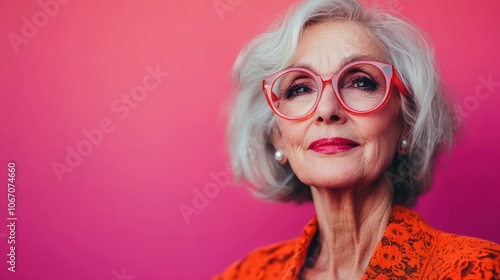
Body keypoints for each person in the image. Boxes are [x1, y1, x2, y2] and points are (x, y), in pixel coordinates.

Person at [215, 0, 500, 279]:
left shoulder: (475, 271)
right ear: (277, 138)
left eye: (361, 82)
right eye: (299, 89)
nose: (327, 110)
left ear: (407, 125)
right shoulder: (245, 275)